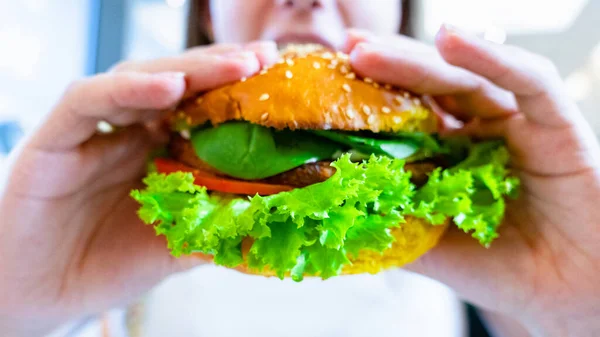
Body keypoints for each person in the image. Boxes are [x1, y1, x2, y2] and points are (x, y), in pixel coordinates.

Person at [1, 0, 599, 336]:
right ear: (208, 14)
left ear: (401, 13)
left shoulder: (490, 221)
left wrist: (583, 307)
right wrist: (18, 308)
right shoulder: (115, 195)